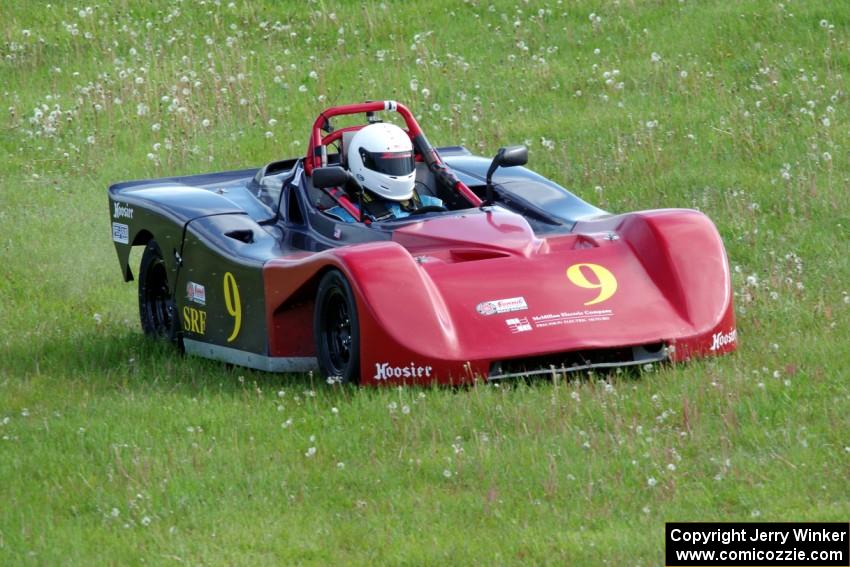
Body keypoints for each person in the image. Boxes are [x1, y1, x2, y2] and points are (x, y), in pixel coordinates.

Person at [323, 122, 443, 222]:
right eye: (389, 164)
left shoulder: (432, 205)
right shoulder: (343, 218)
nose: (397, 170)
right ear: (361, 162)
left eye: (402, 162)